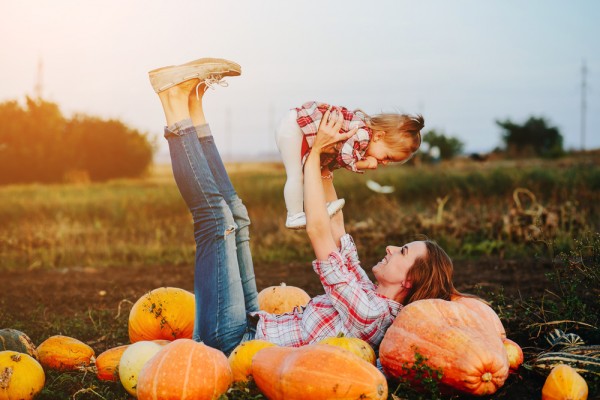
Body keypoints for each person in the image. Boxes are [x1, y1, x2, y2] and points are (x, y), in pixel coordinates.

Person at [149, 58, 461, 356]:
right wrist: (326, 161)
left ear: (409, 281)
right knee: (238, 216)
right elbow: (335, 226)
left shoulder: (369, 315)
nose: (391, 248)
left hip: (233, 342)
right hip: (254, 323)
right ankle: (193, 105)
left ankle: (172, 102)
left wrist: (313, 157)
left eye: (403, 252)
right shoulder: (367, 292)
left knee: (218, 220)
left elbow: (318, 231)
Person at [276, 101, 424, 229]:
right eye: (387, 157)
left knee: (308, 176)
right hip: (295, 128)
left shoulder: (362, 136)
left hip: (296, 128)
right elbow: (344, 157)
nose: (385, 163)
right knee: (296, 176)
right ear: (379, 136)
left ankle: (315, 209)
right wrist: (364, 164)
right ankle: (294, 216)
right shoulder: (363, 135)